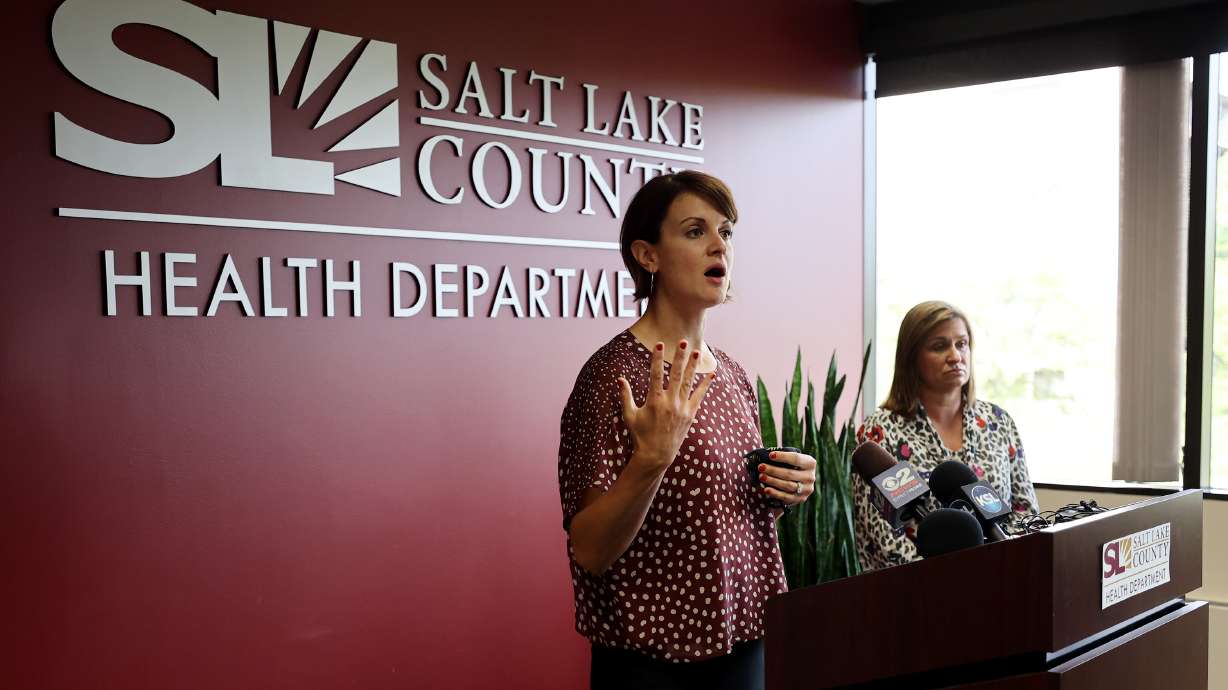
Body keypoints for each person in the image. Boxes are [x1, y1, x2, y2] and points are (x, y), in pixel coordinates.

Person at [557, 171, 816, 690]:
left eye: (726, 231)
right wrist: (651, 460)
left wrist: (785, 487)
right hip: (652, 664)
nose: (719, 245)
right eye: (696, 231)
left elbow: (719, 512)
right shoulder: (612, 376)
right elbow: (590, 550)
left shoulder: (732, 373)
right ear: (647, 255)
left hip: (743, 644)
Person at [853, 301, 1039, 571]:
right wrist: (954, 580)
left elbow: (1025, 512)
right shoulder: (880, 431)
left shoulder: (998, 421)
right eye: (939, 346)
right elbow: (885, 541)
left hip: (1003, 578)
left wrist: (1003, 569)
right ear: (911, 357)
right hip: (918, 586)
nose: (955, 356)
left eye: (961, 344)